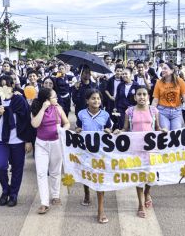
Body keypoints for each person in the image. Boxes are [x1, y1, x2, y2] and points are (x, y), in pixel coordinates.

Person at [113, 86, 164, 218]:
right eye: (139, 94)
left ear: (148, 97)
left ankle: (147, 192)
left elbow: (157, 128)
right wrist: (120, 131)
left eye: (144, 94)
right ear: (135, 97)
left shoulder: (154, 111)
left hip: (151, 149)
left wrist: (163, 130)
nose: (142, 97)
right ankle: (141, 204)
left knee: (150, 175)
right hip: (136, 149)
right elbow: (125, 128)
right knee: (139, 176)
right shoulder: (129, 111)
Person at [0, 75, 33, 207]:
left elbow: (27, 121)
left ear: (12, 86)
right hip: (1, 140)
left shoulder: (19, 100)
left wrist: (28, 140)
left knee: (17, 168)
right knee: (0, 166)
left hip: (17, 140)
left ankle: (13, 194)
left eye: (7, 85)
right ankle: (5, 190)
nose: (5, 88)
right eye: (1, 85)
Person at [75, 89, 112, 224]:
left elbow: (109, 129)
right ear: (87, 101)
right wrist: (77, 130)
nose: (96, 101)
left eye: (98, 99)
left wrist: (109, 131)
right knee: (86, 175)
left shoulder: (106, 115)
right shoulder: (81, 114)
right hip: (85, 151)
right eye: (93, 98)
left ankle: (101, 210)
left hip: (100, 152)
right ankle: (86, 194)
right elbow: (78, 128)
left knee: (99, 178)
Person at [31, 87, 70, 214]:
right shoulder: (36, 108)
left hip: (56, 143)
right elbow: (35, 124)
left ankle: (55, 195)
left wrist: (63, 130)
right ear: (46, 99)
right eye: (54, 97)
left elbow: (67, 123)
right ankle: (44, 202)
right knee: (41, 173)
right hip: (41, 144)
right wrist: (43, 108)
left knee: (55, 171)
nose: (56, 99)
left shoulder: (58, 108)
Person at [152, 62, 185, 130]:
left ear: (172, 70)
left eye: (165, 68)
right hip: (162, 112)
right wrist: (150, 114)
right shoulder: (159, 82)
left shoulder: (180, 81)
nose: (162, 70)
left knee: (176, 135)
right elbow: (155, 100)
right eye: (162, 68)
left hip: (177, 112)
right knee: (165, 134)